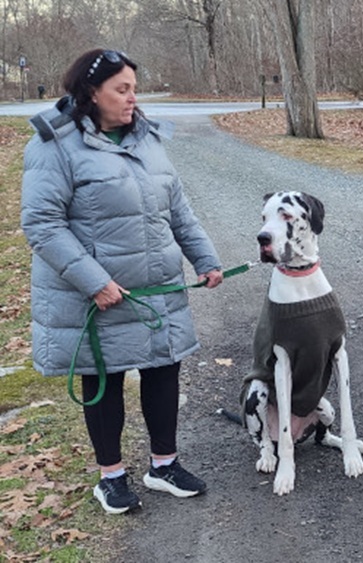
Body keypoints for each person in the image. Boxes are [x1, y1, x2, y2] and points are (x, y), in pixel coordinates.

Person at [20, 49, 224, 514]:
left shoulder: (148, 140)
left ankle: (164, 466)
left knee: (162, 369)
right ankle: (110, 477)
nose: (133, 98)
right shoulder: (54, 147)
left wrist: (205, 259)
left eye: (134, 88)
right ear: (92, 92)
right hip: (99, 299)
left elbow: (178, 212)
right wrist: (95, 282)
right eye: (122, 89)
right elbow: (42, 225)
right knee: (105, 381)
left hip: (157, 292)